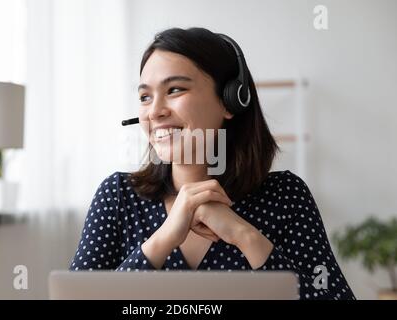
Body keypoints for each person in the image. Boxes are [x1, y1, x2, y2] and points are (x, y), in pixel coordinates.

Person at [70, 27, 355, 300]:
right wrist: (164, 238)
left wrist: (244, 235)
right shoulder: (118, 195)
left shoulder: (285, 196)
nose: (154, 111)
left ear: (230, 101)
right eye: (145, 96)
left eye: (175, 90)